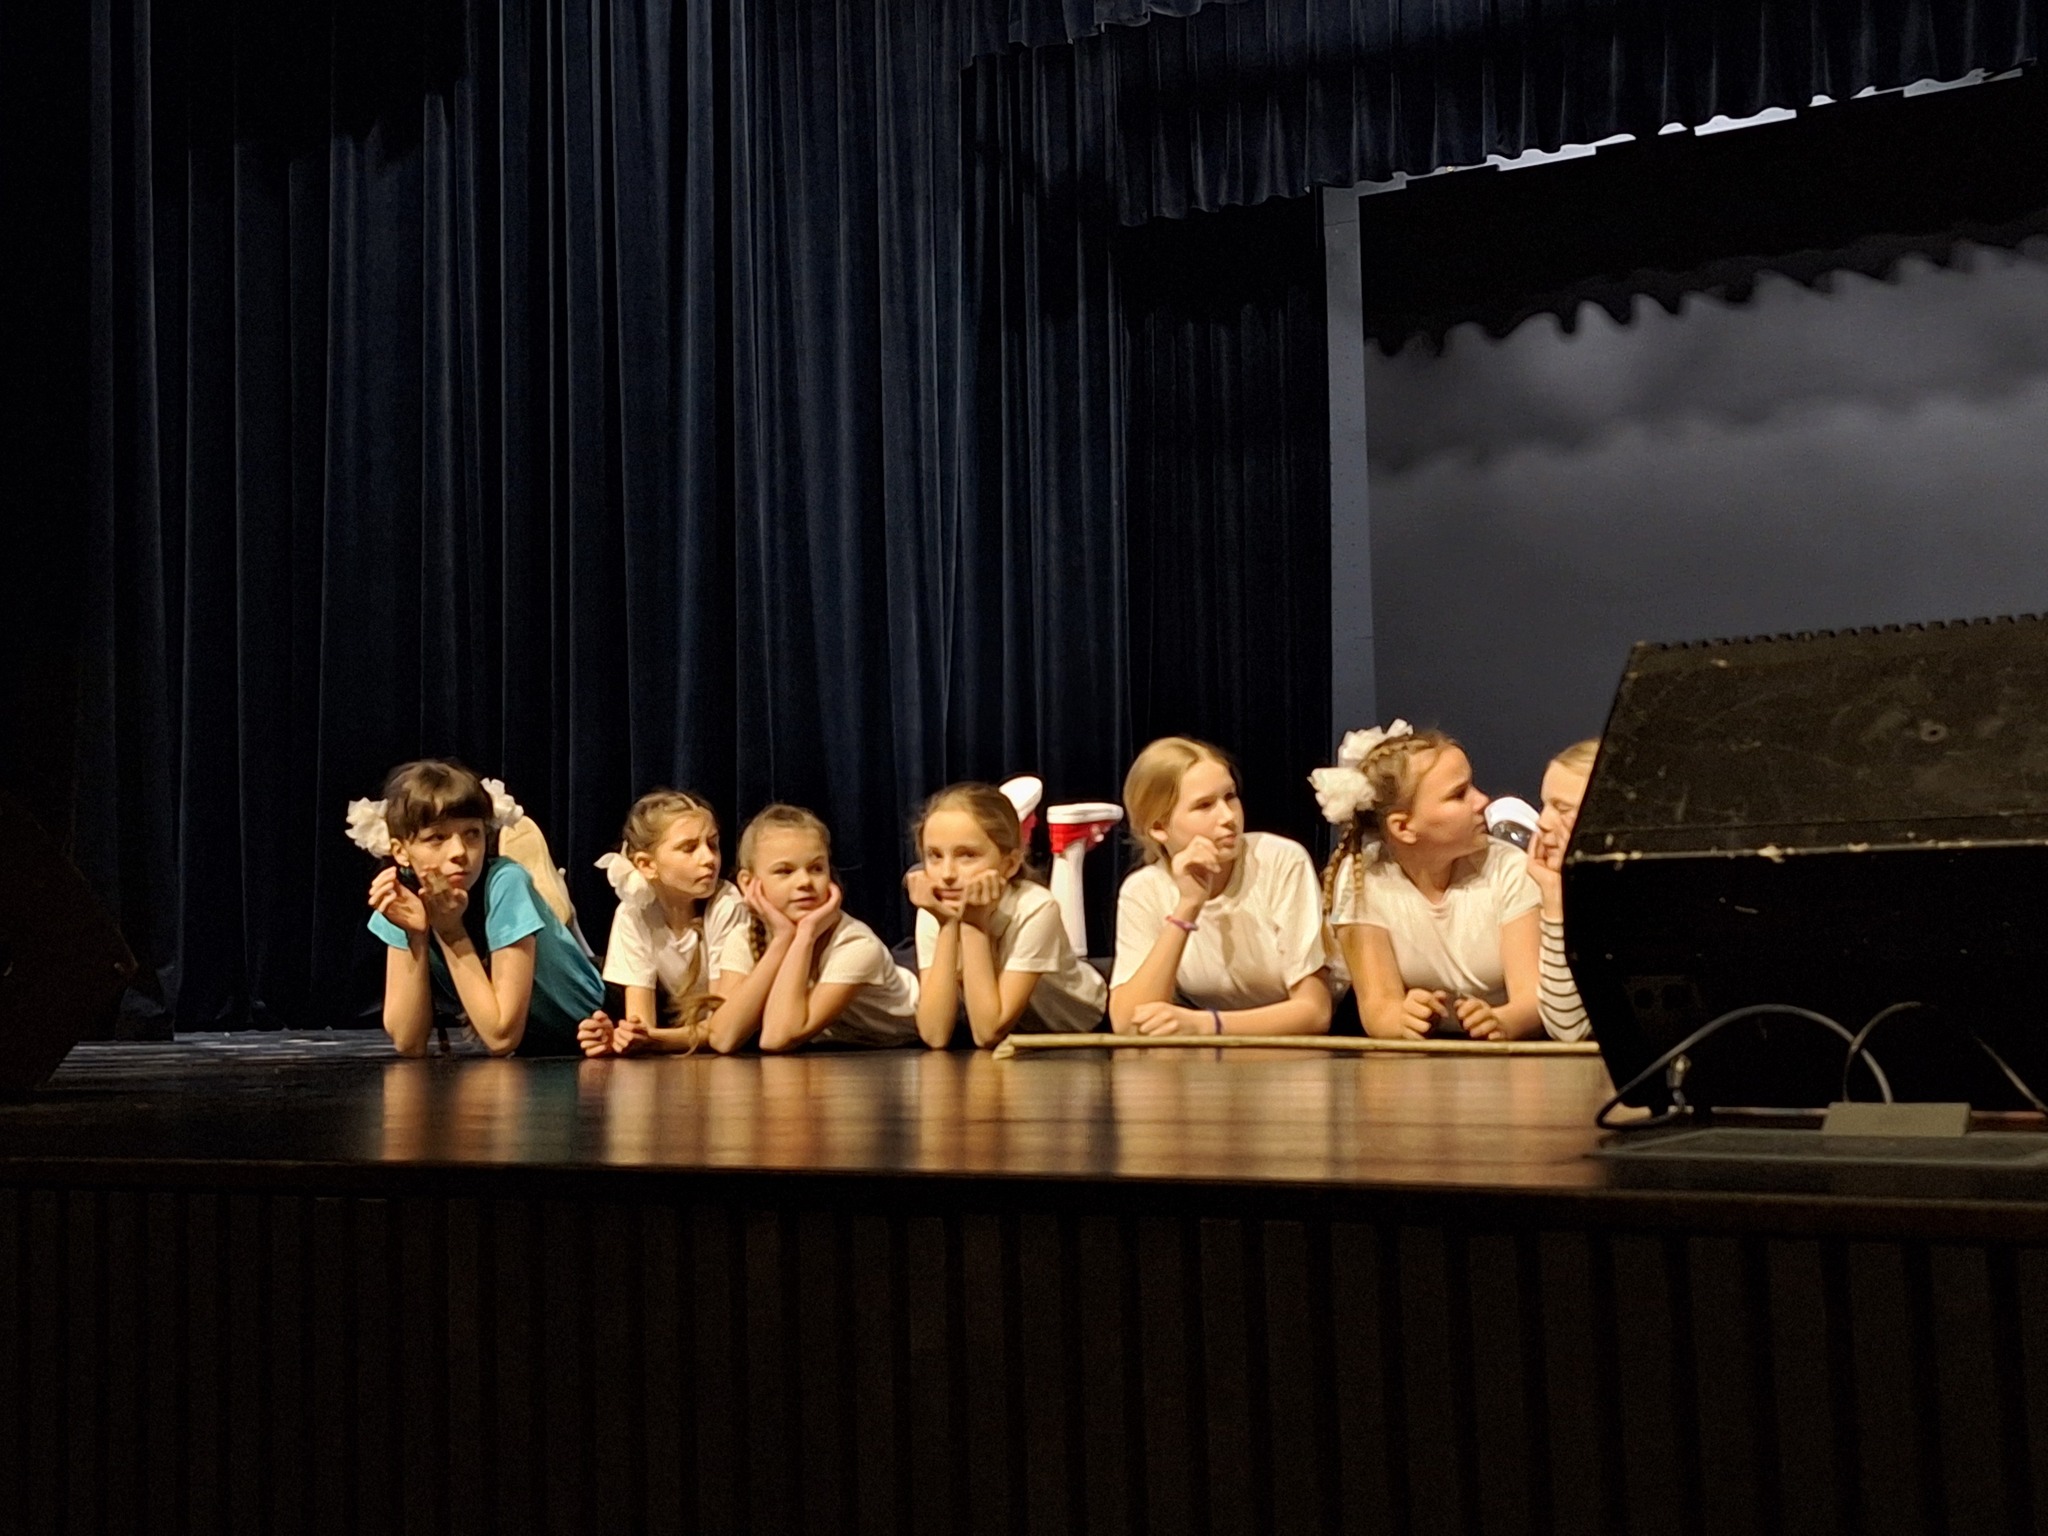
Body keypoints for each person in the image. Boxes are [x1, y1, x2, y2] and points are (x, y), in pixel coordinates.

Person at [355, 759, 602, 1056]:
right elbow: (409, 1042)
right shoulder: (403, 897)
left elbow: (501, 1036)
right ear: (401, 851)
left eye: (472, 833)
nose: (459, 852)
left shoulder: (505, 882)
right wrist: (414, 936)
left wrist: (451, 932)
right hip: (536, 1055)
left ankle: (550, 901)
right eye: (437, 838)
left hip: (605, 1028)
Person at [1316, 723, 1541, 1041]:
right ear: (1403, 827)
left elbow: (1531, 1000)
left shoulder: (1509, 868)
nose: (1482, 801)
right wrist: (1403, 1019)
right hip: (1424, 1053)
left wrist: (1500, 1021)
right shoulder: (1363, 881)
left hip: (1505, 1048)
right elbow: (1379, 1007)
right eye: (1459, 794)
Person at [1109, 737, 1335, 1036]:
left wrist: (1207, 1024)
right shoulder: (1144, 889)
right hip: (1216, 1051)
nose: (1228, 817)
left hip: (1295, 1046)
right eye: (1204, 806)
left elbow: (1315, 1011)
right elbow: (1128, 1023)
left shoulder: (1279, 861)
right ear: (1159, 828)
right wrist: (1187, 906)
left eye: (1230, 797)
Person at [702, 804, 919, 1052]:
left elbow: (777, 1037)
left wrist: (804, 935)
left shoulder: (855, 944)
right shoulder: (743, 937)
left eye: (816, 868)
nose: (805, 881)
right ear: (748, 883)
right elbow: (723, 1038)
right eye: (785, 871)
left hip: (916, 1038)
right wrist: (782, 938)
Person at [905, 782, 1106, 1048]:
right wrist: (946, 925)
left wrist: (974, 924)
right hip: (1016, 1034)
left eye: (967, 855)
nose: (947, 874)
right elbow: (934, 1035)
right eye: (935, 856)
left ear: (1009, 864)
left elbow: (988, 1033)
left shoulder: (1035, 907)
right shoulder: (935, 909)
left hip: (1082, 1029)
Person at [576, 790, 749, 1057]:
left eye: (713, 845)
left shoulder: (727, 905)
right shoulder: (634, 913)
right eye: (689, 848)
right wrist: (621, 1038)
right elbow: (642, 1024)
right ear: (647, 865)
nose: (709, 859)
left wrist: (654, 1039)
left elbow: (722, 1027)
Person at [1528, 739, 1599, 1042]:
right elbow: (1566, 1028)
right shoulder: (1554, 895)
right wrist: (1554, 899)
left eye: (1562, 808)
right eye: (1545, 805)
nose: (1543, 822)